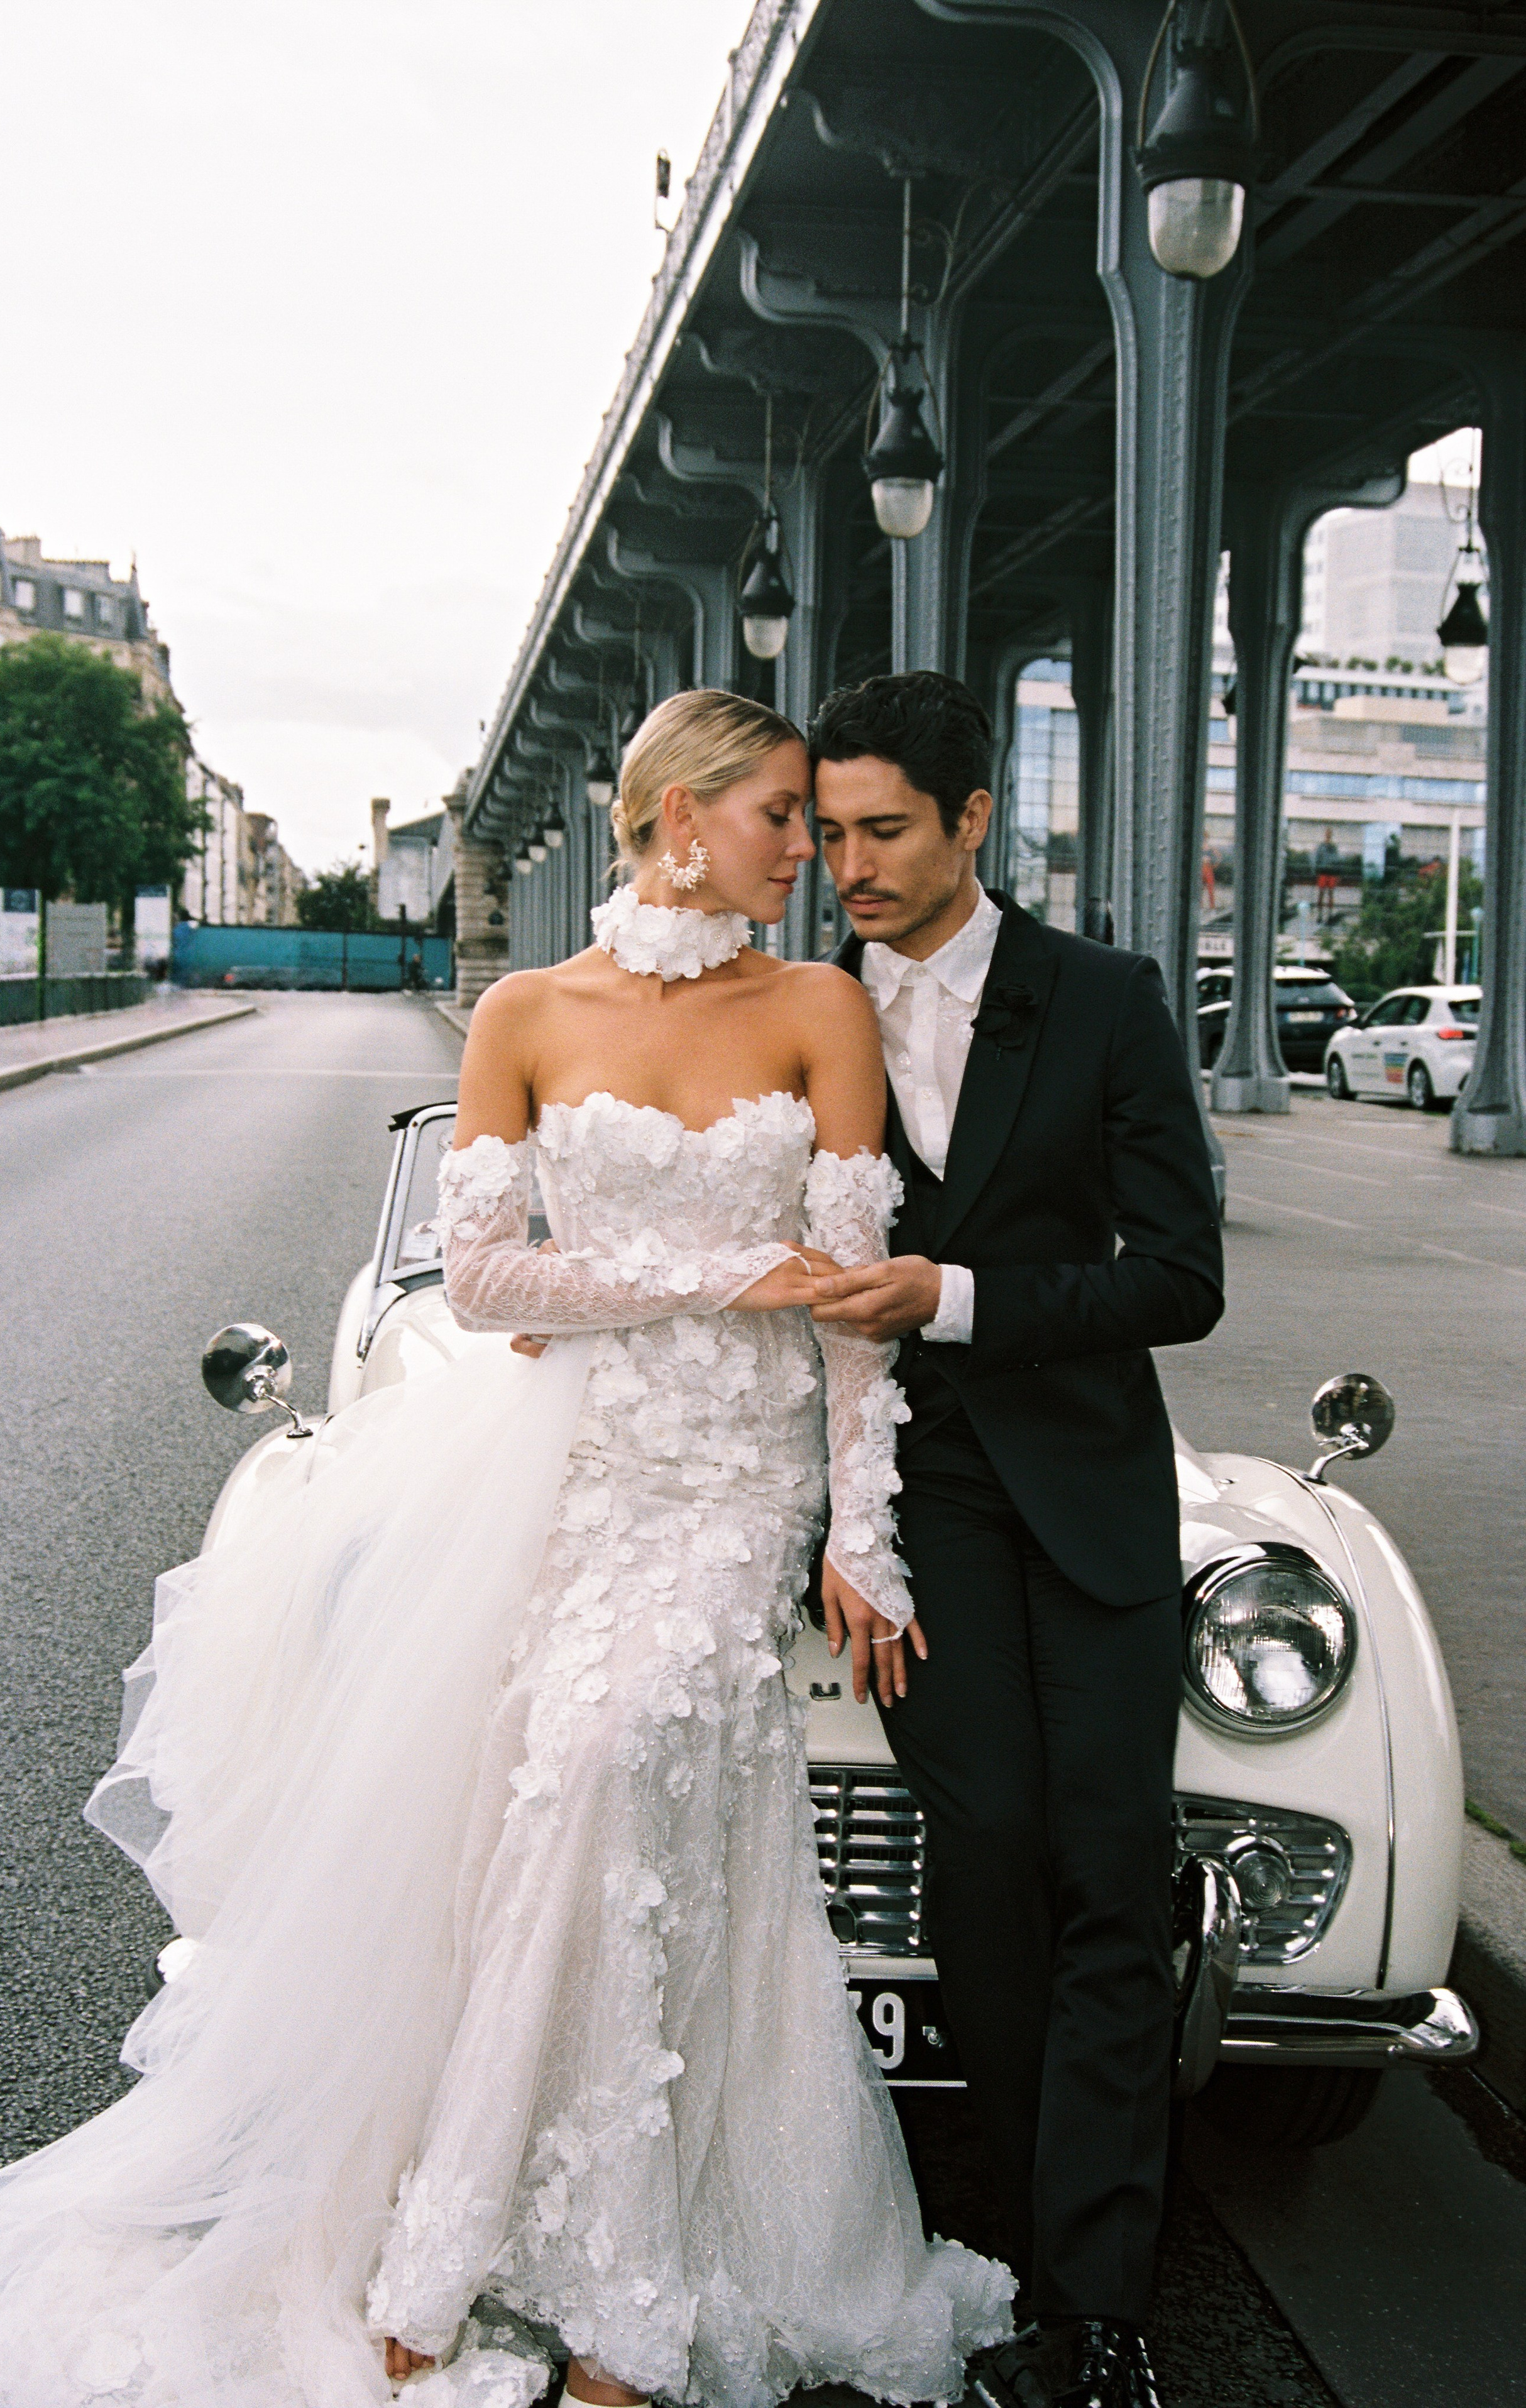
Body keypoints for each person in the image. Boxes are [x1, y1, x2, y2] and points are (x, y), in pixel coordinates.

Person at [0, 688, 1011, 2408]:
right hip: (574, 1467)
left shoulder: (821, 1007)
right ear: (680, 819)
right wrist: (720, 1274)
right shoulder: (523, 1011)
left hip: (737, 1484)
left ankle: (605, 2277)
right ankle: (472, 2232)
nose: (809, 851)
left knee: (615, 1767)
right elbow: (490, 1279)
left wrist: (861, 1532)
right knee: (545, 1796)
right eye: (782, 816)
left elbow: (855, 1312)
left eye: (820, 824)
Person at [806, 672, 1224, 2408]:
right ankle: (1029, 2243)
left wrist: (957, 1294)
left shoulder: (1109, 1000)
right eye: (829, 833)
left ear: (975, 818)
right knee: (986, 1856)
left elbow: (1181, 1278)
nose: (852, 866)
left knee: (1111, 1869)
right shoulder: (802, 1009)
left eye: (886, 830)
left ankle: (1098, 2316)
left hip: (1091, 1487)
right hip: (916, 1498)